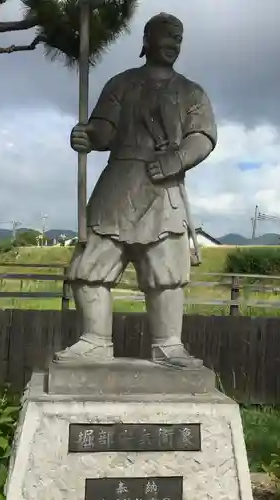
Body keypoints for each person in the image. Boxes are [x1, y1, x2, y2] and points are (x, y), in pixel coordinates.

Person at [55, 12, 217, 368]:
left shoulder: (191, 92)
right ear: (146, 40)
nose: (173, 43)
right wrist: (89, 135)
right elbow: (105, 130)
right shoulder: (121, 84)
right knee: (93, 262)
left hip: (165, 188)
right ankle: (94, 340)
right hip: (119, 183)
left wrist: (176, 161)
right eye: (166, 36)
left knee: (167, 269)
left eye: (179, 37)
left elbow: (203, 136)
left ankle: (168, 344)